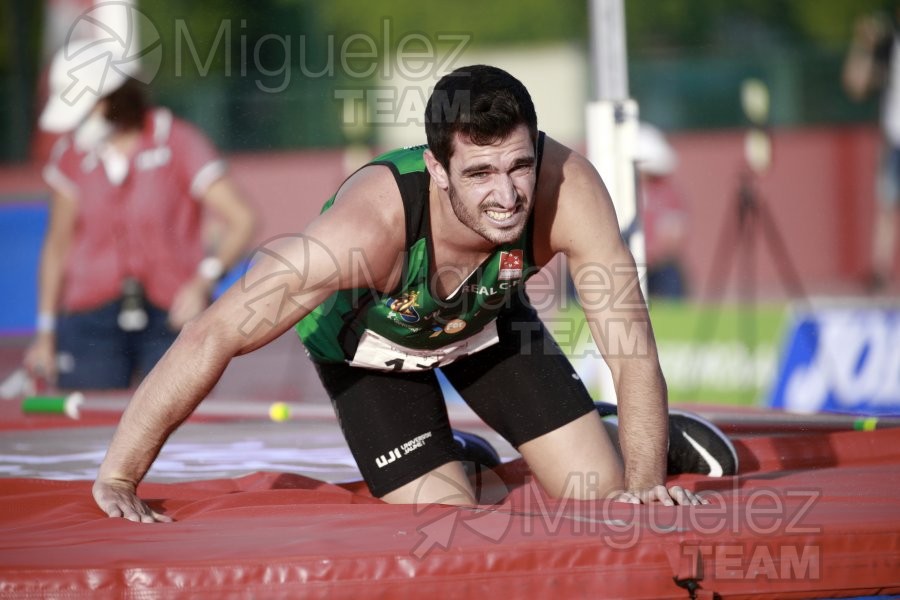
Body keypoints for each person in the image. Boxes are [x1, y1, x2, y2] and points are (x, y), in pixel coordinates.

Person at [92, 65, 737, 522]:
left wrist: (644, 484)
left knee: (601, 494)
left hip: (485, 320)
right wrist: (121, 474)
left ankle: (618, 433)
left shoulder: (569, 191)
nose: (506, 195)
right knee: (447, 522)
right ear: (437, 168)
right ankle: (460, 462)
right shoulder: (364, 232)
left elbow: (629, 347)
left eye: (519, 165)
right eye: (479, 173)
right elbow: (213, 333)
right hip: (369, 351)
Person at [23, 40, 257, 390]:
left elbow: (242, 219)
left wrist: (203, 281)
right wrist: (45, 331)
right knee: (91, 420)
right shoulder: (70, 156)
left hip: (171, 316)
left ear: (113, 97)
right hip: (90, 319)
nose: (78, 123)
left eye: (87, 108)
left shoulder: (175, 140)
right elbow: (57, 247)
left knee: (172, 414)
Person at [843, 7, 900, 291]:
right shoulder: (888, 47)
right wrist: (864, 44)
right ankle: (880, 272)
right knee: (887, 206)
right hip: (895, 139)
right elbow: (856, 84)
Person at [635, 123, 688, 299]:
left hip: (657, 268)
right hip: (619, 264)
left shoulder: (666, 192)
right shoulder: (613, 190)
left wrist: (650, 255)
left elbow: (674, 234)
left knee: (671, 276)